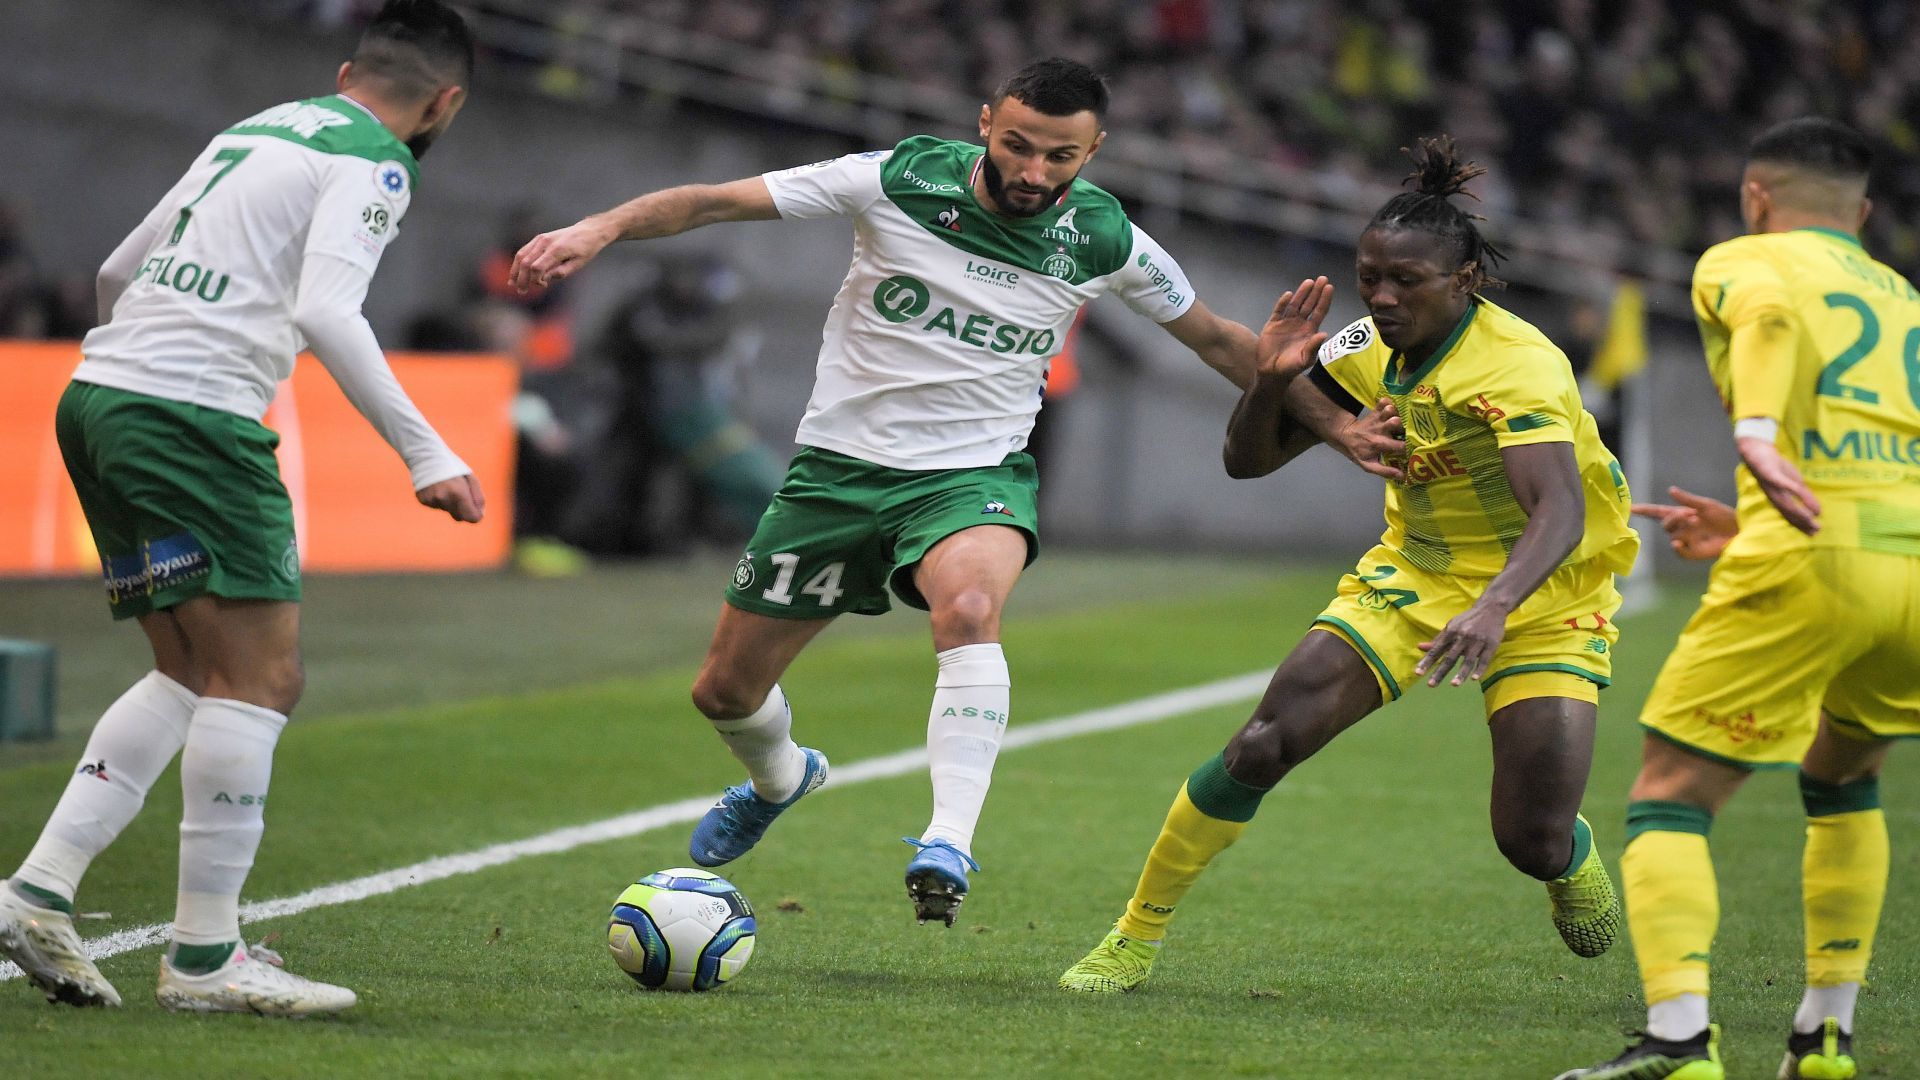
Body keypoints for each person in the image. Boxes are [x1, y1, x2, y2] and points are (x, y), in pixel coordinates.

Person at [510, 57, 1401, 925]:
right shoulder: (892, 179)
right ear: (985, 124)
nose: (1033, 170)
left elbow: (1218, 341)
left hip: (973, 477)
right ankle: (783, 776)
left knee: (969, 609)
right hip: (836, 475)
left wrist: (1338, 425)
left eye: (1060, 156)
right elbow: (714, 200)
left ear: (1092, 154)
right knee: (724, 695)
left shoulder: (1107, 238)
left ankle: (948, 840)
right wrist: (598, 229)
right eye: (1018, 145)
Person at [1059, 137, 1639, 994]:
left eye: (1407, 281)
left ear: (1466, 280)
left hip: (1545, 591)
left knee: (1530, 838)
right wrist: (1269, 380)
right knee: (1261, 744)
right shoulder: (1365, 343)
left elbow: (1561, 509)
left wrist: (1494, 609)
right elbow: (1246, 464)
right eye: (1371, 276)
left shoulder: (1520, 368)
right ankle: (1133, 938)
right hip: (1415, 574)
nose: (1383, 296)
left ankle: (1566, 860)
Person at [0, 0, 481, 1016]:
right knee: (263, 678)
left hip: (100, 401)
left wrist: (143, 371)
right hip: (194, 421)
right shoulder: (378, 161)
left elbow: (115, 271)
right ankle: (206, 961)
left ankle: (37, 896)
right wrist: (425, 449)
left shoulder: (254, 127)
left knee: (190, 669)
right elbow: (322, 311)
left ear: (349, 69)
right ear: (445, 102)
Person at [1558, 117, 1917, 1080]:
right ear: (1864, 214)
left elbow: (1769, 321)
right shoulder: (1904, 296)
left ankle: (1679, 1041)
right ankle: (1824, 1036)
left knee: (1671, 794)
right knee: (1844, 777)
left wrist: (1755, 433)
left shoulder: (1745, 260)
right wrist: (1749, 526)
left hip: (1813, 554)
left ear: (1758, 198)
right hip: (1911, 566)